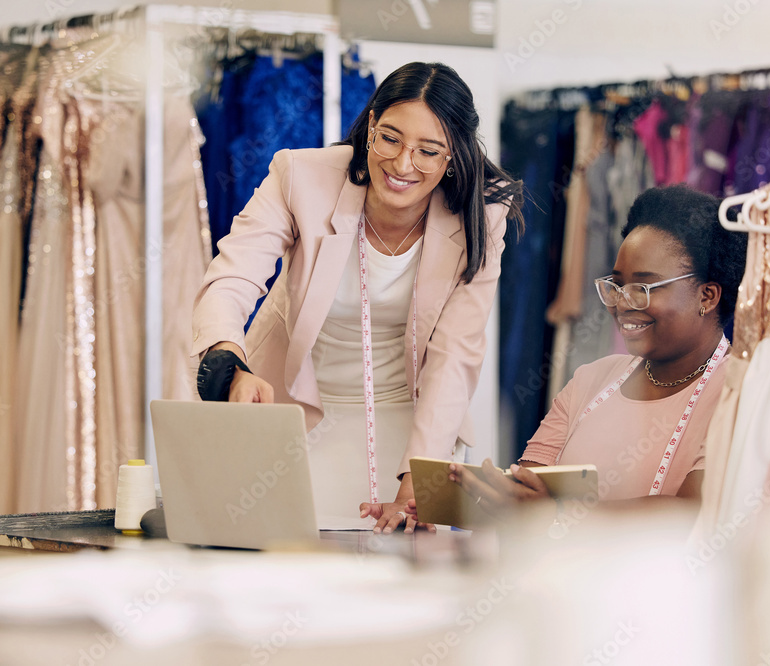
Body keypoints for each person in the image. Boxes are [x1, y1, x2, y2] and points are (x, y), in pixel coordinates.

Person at [191, 62, 523, 533]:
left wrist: (418, 478)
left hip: (412, 426)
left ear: (453, 156)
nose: (403, 164)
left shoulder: (480, 214)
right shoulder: (300, 176)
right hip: (291, 409)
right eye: (390, 138)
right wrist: (229, 364)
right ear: (370, 125)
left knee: (398, 578)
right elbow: (232, 278)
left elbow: (455, 353)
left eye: (428, 151)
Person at [439, 185, 748, 521]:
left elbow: (693, 513)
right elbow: (527, 491)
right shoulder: (592, 379)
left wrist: (558, 514)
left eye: (642, 288)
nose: (622, 303)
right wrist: (469, 499)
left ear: (708, 296)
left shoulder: (739, 390)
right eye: (616, 285)